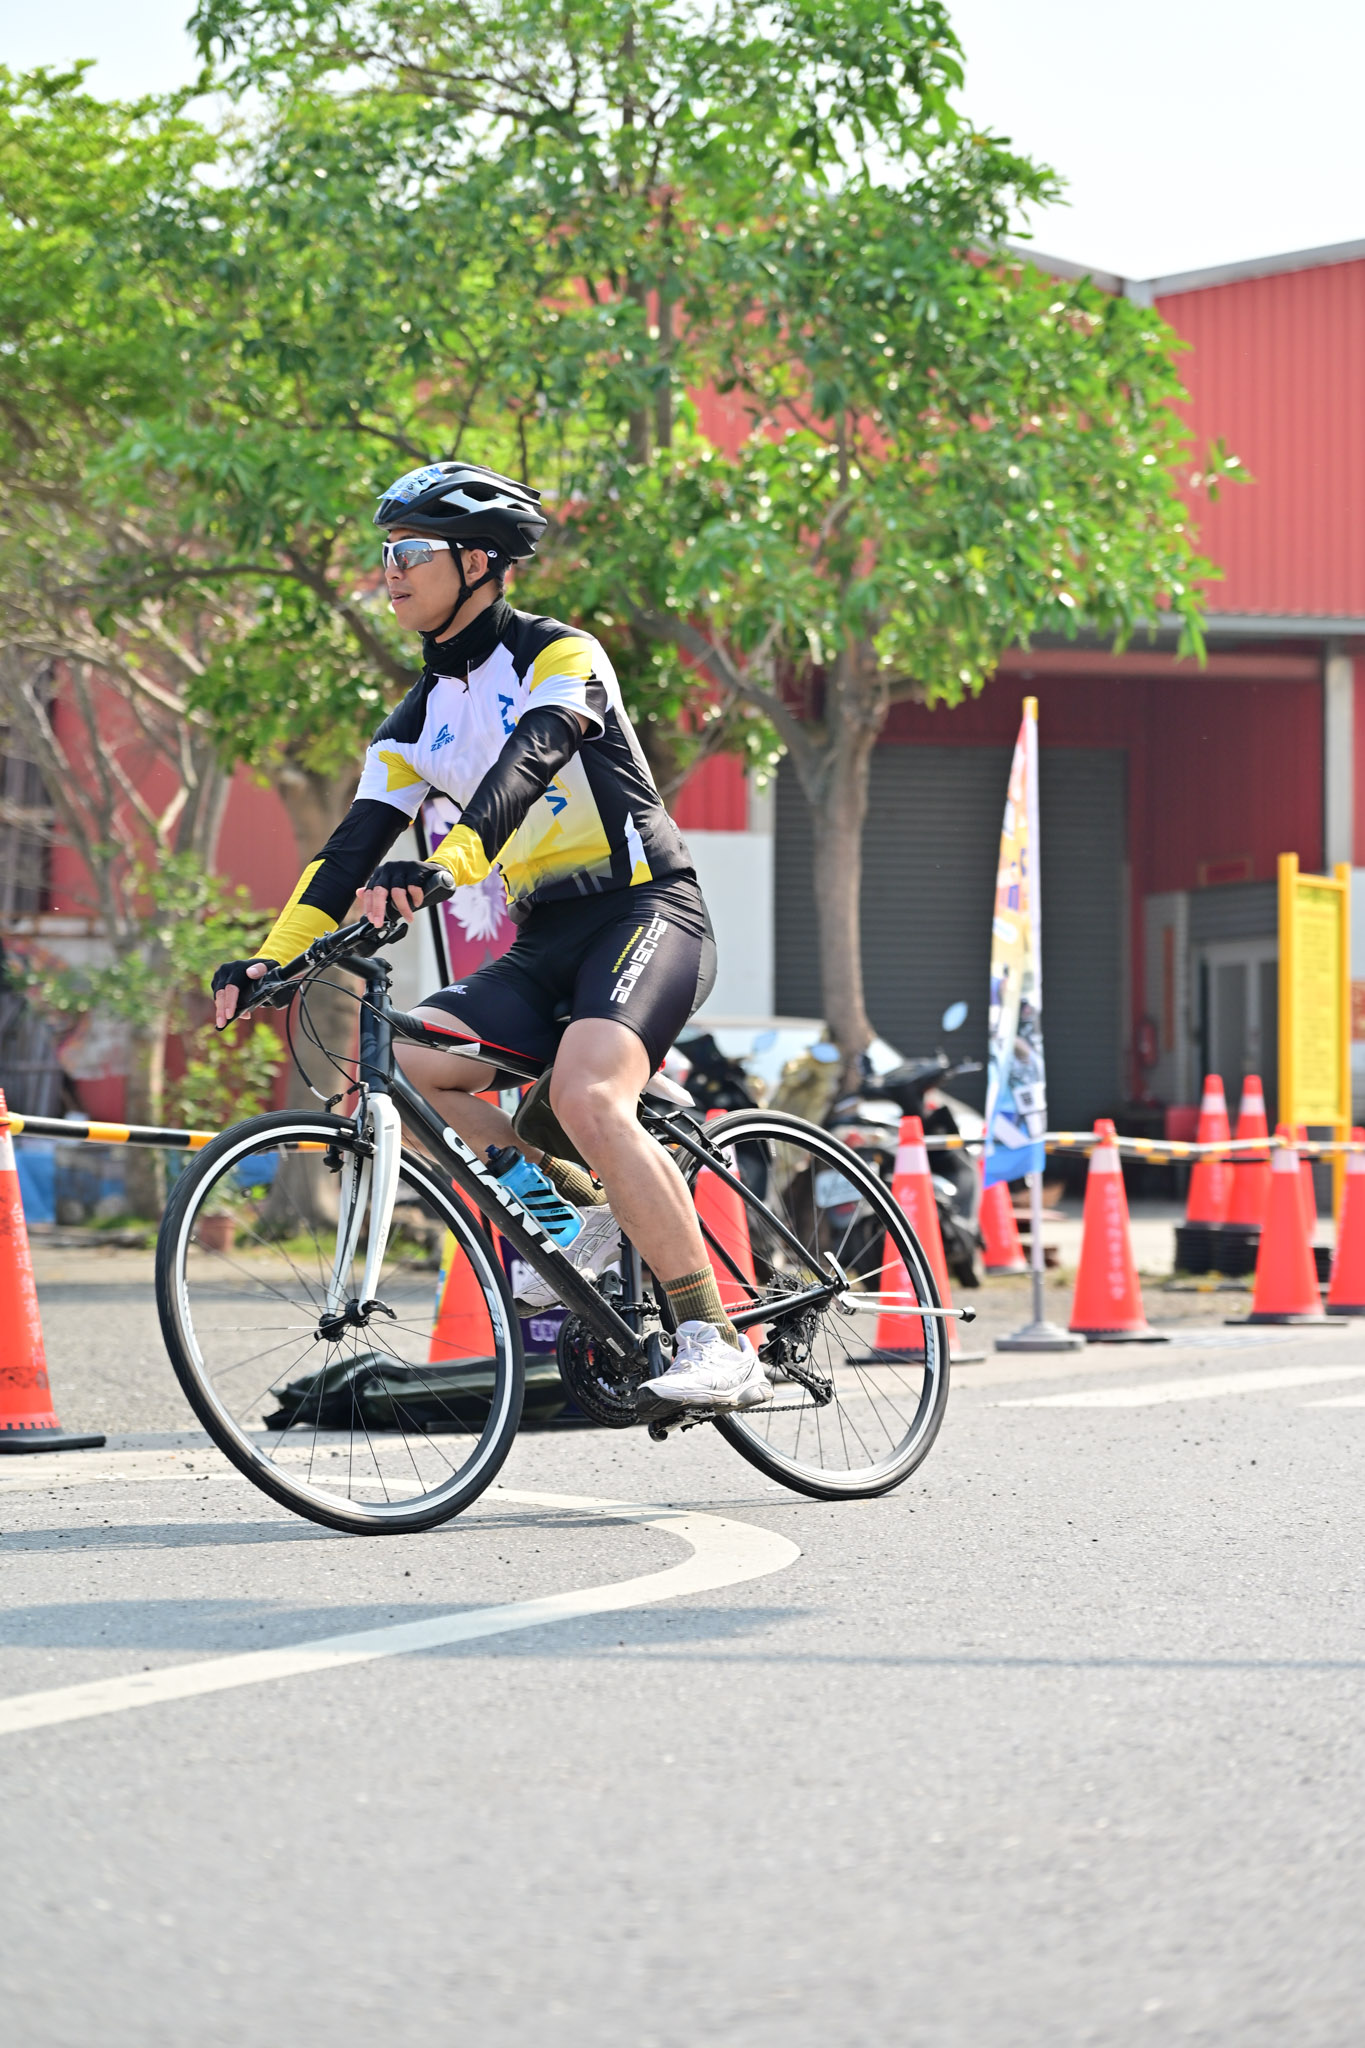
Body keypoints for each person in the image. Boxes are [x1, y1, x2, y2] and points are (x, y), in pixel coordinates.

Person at [211, 459, 769, 1413]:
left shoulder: (561, 654)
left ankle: (714, 1339)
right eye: (386, 553)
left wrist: (447, 865)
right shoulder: (414, 720)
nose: (390, 571)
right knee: (405, 1066)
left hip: (644, 911)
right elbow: (348, 851)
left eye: (411, 552)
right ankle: (579, 1219)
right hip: (544, 935)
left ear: (477, 561)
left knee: (586, 1094)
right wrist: (271, 956)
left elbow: (529, 761)